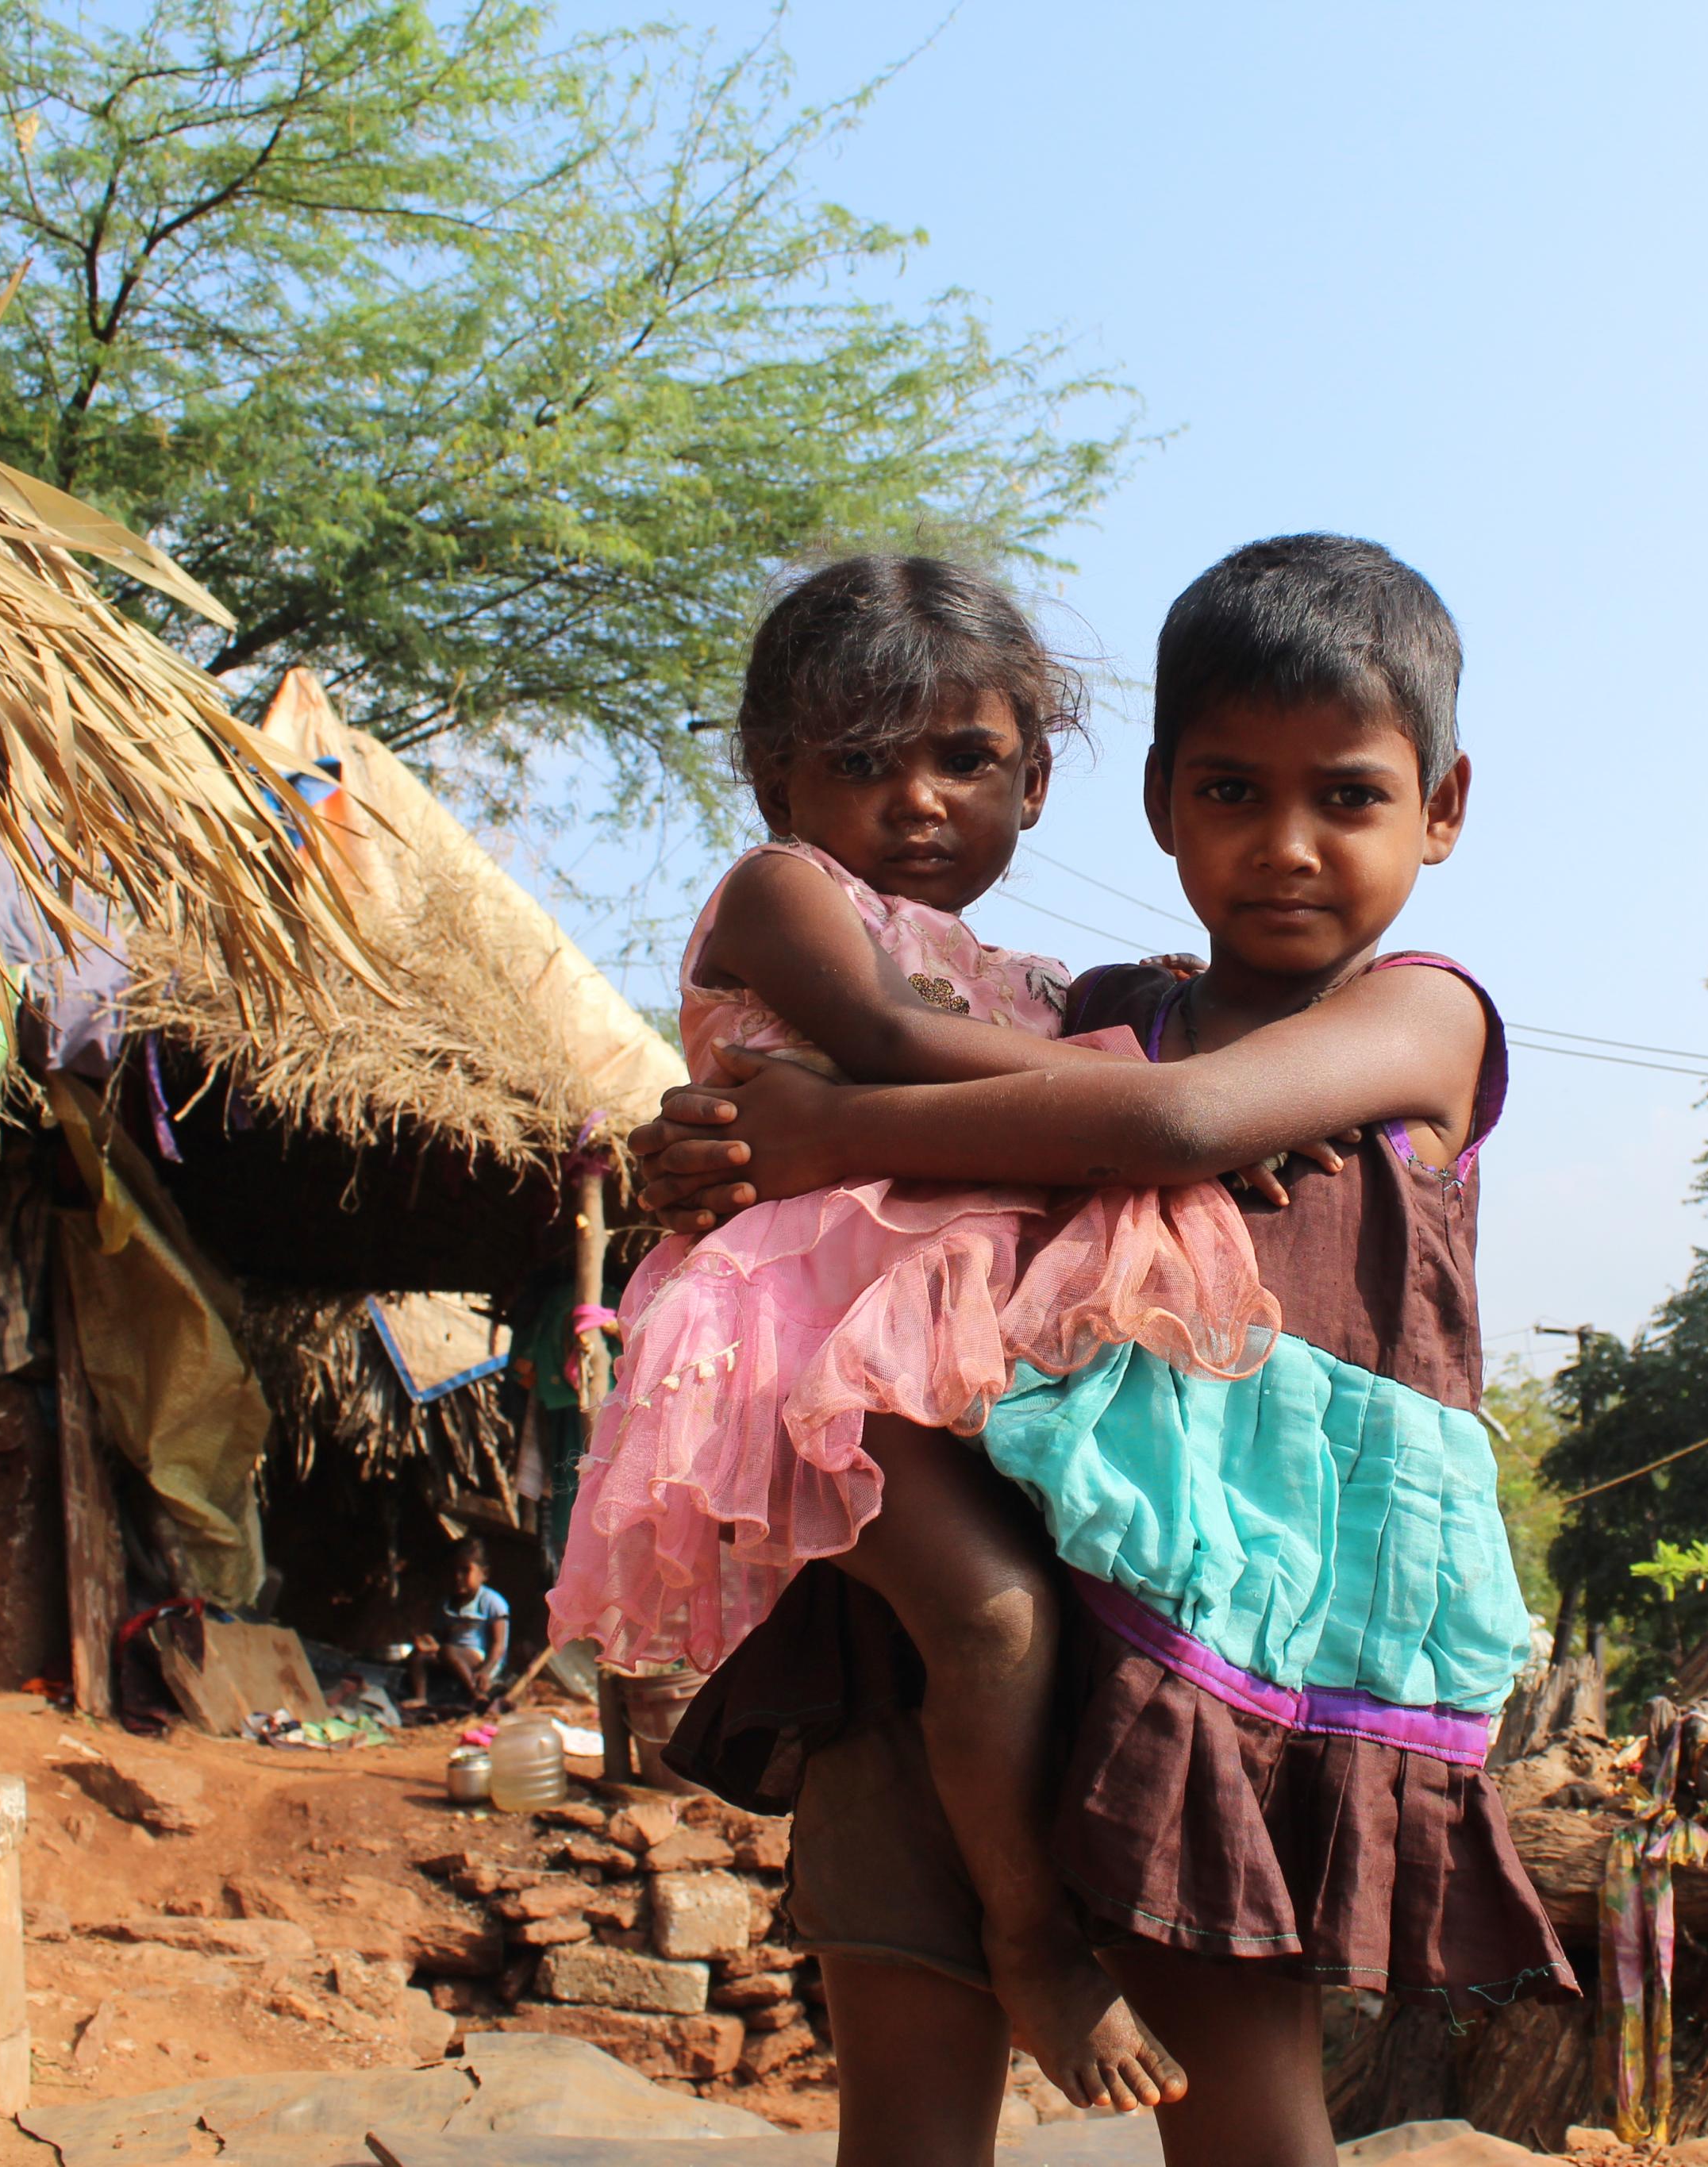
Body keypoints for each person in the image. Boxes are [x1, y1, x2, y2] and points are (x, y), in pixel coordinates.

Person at [635, 534, 1575, 2167]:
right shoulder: (1083, 1018)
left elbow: (1181, 1120)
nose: (1285, 844)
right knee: (906, 2124)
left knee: (1246, 2126)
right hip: (948, 1637)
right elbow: (896, 1139)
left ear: (1441, 807)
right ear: (1157, 800)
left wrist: (820, 1132)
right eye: (1230, 791)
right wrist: (705, 1152)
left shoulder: (1421, 1016)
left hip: (1219, 1669)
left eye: (1348, 796)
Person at [548, 555, 1291, 2114]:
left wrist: (1156, 1071)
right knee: (993, 1616)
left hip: (924, 1348)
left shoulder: (1041, 991)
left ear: (1035, 779)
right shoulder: (783, 897)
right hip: (807, 1332)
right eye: (861, 762)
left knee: (1029, 1610)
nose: (918, 801)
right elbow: (885, 1038)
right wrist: (1168, 1105)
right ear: (776, 779)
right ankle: (1030, 1941)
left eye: (965, 759)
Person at [409, 1537, 509, 1709]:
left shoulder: (491, 1601)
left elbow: (499, 1645)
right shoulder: (447, 1603)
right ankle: (421, 1697)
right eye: (453, 1571)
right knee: (419, 1658)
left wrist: (485, 1670)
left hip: (479, 1657)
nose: (457, 1577)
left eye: (465, 1571)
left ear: (484, 1574)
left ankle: (476, 1694)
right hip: (450, 1655)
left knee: (448, 1651)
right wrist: (428, 1642)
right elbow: (441, 1635)